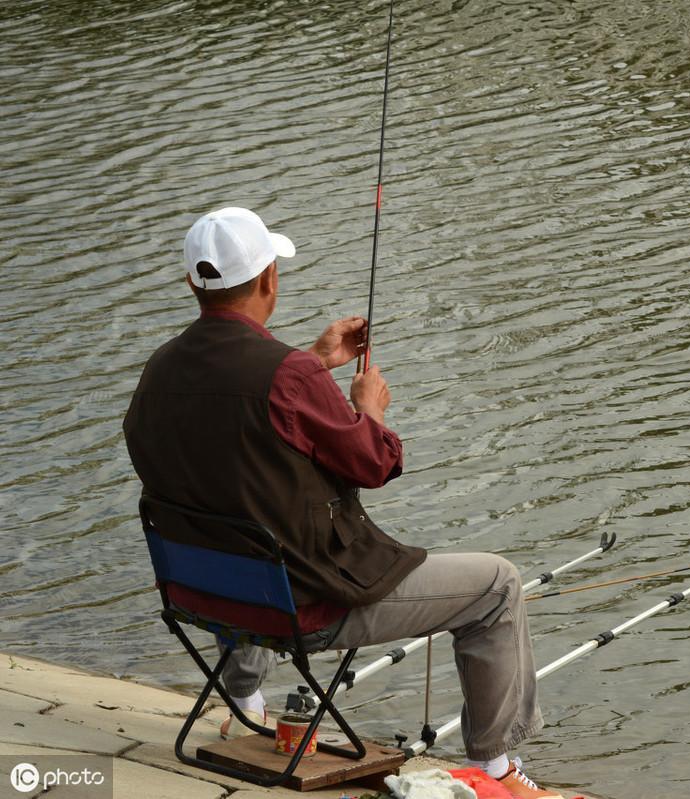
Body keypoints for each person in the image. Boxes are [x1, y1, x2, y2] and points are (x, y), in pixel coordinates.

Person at [123, 207, 560, 799]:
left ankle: (245, 704)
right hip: (301, 609)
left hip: (206, 597)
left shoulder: (160, 370)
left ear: (192, 284)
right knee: (497, 586)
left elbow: (235, 430)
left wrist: (313, 366)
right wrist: (367, 408)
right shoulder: (288, 377)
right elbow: (376, 463)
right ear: (269, 279)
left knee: (233, 521)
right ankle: (496, 772)